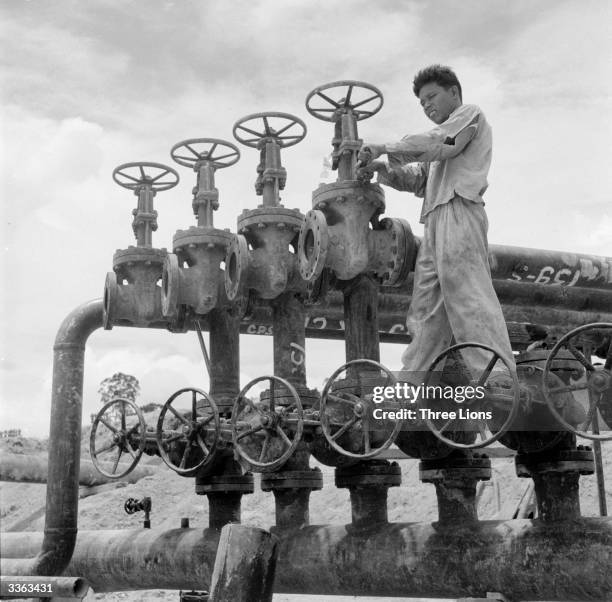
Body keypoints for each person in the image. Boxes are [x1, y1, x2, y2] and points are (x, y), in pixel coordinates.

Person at [357, 64, 515, 380]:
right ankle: (415, 381)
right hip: (434, 222)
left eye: (432, 97)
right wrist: (381, 169)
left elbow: (442, 140)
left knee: (467, 294)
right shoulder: (436, 154)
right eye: (422, 103)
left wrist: (385, 147)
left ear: (454, 92)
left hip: (459, 212)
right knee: (426, 308)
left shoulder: (469, 115)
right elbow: (419, 180)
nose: (428, 106)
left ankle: (495, 376)